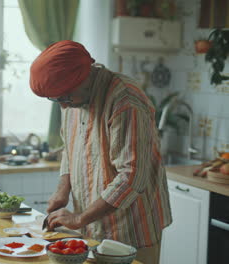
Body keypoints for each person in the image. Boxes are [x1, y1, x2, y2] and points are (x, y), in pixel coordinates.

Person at [29, 40, 172, 264]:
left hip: (131, 230)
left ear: (83, 78)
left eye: (65, 98)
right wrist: (62, 190)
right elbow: (70, 149)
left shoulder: (125, 101)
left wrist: (79, 218)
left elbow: (131, 176)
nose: (64, 106)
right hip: (90, 228)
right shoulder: (73, 100)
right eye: (56, 100)